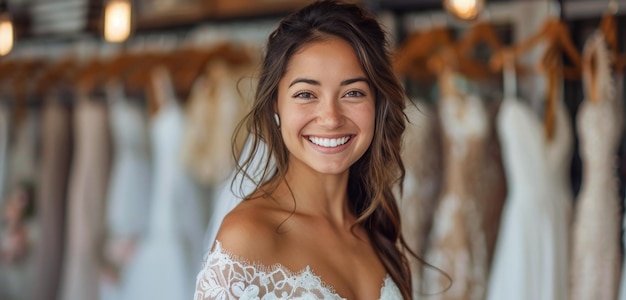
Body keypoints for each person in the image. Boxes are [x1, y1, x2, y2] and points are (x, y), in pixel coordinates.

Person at [194, 1, 413, 299]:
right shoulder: (247, 237)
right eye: (306, 94)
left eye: (353, 93)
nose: (331, 118)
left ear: (378, 103)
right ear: (276, 103)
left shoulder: (379, 231)